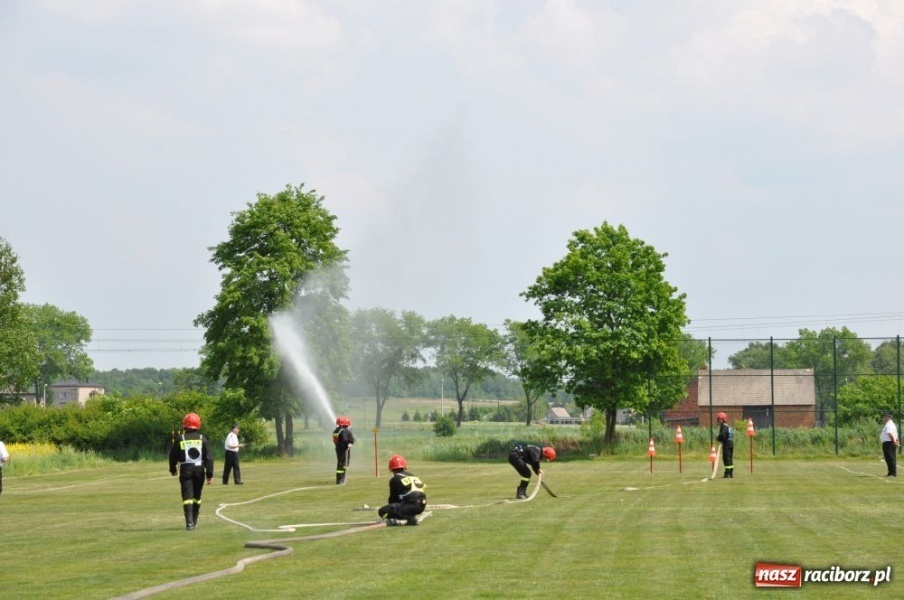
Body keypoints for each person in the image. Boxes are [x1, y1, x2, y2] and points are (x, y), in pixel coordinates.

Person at [169, 412, 214, 530]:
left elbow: (172, 456)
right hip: (199, 470)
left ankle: (189, 523)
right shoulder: (202, 439)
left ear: (185, 426)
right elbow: (209, 458)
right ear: (197, 425)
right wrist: (209, 475)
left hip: (185, 470)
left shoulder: (180, 439)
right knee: (197, 497)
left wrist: (173, 469)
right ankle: (195, 520)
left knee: (187, 497)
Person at [378, 454, 427, 526]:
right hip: (422, 505)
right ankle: (409, 515)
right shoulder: (412, 475)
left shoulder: (395, 479)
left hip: (411, 505)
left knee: (382, 511)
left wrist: (390, 513)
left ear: (392, 469)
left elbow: (393, 500)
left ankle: (409, 518)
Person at [332, 416, 355, 485]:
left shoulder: (336, 431)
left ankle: (339, 479)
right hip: (344, 450)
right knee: (344, 464)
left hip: (338, 449)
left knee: (340, 463)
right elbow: (348, 440)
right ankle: (342, 479)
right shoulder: (344, 431)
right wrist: (348, 444)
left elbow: (336, 440)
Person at [880, 412, 900, 477]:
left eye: (885, 416)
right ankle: (891, 472)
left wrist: (894, 441)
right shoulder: (891, 424)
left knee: (890, 458)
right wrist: (896, 441)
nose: (884, 418)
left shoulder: (889, 424)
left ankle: (892, 473)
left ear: (889, 417)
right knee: (891, 458)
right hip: (890, 442)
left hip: (889, 443)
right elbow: (895, 434)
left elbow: (890, 434)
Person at [716, 412, 734, 478]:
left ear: (723, 419)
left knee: (726, 459)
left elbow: (722, 435)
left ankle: (728, 474)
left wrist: (718, 438)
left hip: (727, 444)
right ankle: (730, 473)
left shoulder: (724, 426)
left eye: (719, 419)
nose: (719, 420)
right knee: (729, 459)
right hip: (730, 444)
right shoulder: (727, 426)